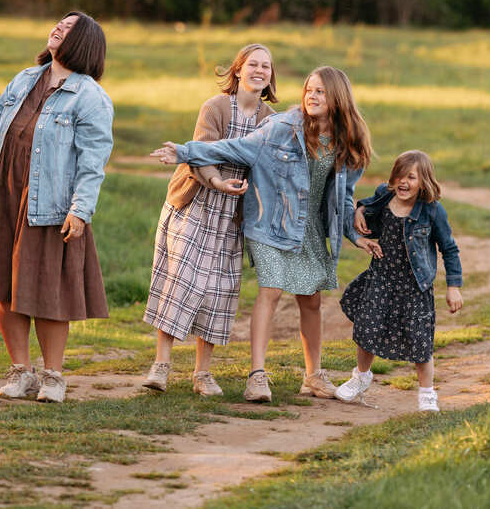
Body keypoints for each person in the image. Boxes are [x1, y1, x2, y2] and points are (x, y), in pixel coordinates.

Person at [151, 66, 377, 403]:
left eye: (321, 92)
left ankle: (313, 376)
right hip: (271, 223)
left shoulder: (349, 141)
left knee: (311, 301)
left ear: (338, 98)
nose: (312, 97)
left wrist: (353, 234)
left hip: (311, 229)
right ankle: (257, 375)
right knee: (270, 290)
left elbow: (343, 198)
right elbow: (235, 148)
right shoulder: (282, 127)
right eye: (309, 90)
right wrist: (185, 152)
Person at [0, 12, 114, 403]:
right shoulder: (22, 80)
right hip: (5, 195)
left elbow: (92, 160)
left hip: (50, 203)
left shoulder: (91, 97)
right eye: (58, 24)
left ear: (83, 43)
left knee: (48, 288)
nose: (58, 28)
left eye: (68, 28)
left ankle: (53, 377)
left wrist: (80, 210)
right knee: (4, 284)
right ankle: (21, 372)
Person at [143, 44, 277, 395]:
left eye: (266, 66)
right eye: (252, 64)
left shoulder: (269, 120)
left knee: (219, 290)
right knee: (181, 280)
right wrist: (218, 181)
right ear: (237, 70)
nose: (259, 70)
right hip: (197, 203)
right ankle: (161, 364)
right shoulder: (215, 107)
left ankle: (202, 373)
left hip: (232, 216)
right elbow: (200, 152)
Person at [335, 150, 463, 412]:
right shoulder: (386, 194)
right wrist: (360, 209)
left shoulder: (431, 210)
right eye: (400, 176)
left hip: (415, 286)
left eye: (412, 177)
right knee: (366, 328)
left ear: (424, 181)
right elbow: (367, 204)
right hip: (381, 278)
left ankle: (427, 392)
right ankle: (361, 377)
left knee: (420, 339)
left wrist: (453, 287)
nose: (404, 182)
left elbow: (449, 248)